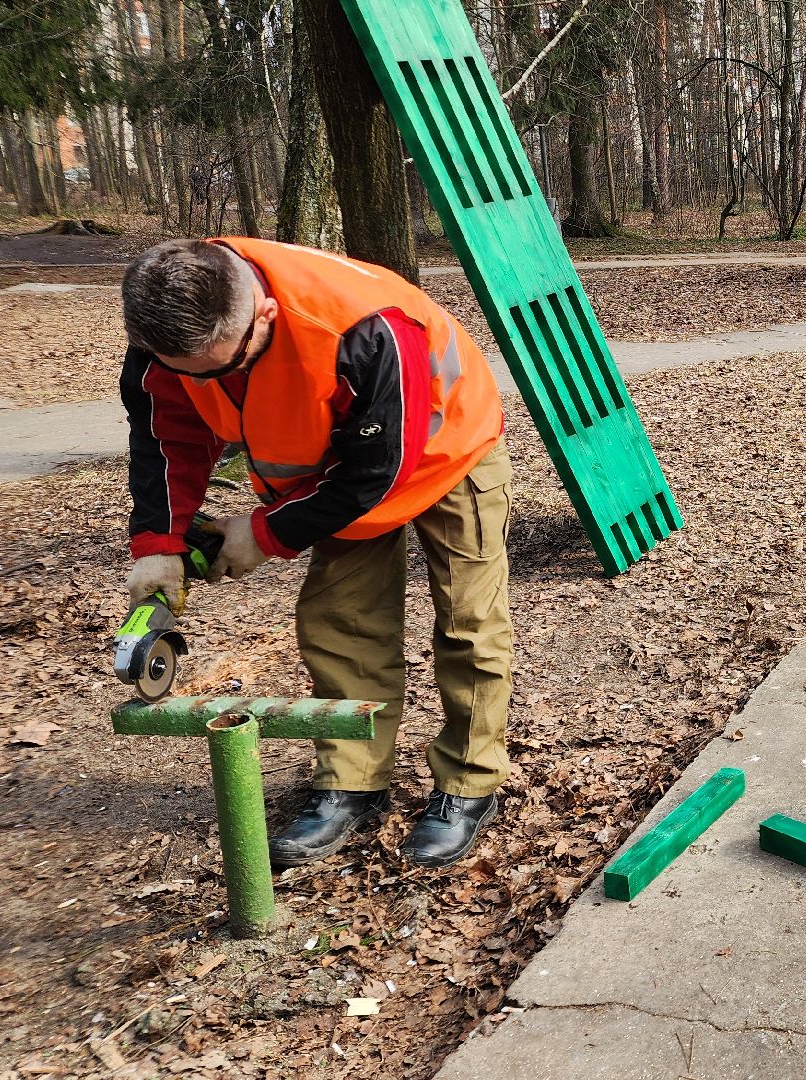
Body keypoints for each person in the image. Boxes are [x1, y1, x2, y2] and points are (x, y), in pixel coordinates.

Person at [119, 237, 513, 869]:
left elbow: (375, 473)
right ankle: (352, 781)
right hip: (338, 463)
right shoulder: (166, 338)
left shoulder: (366, 328)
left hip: (446, 448)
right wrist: (160, 546)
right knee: (340, 620)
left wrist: (264, 532)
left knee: (469, 622)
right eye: (188, 372)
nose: (207, 385)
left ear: (265, 315)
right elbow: (167, 437)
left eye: (221, 369)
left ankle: (468, 784)